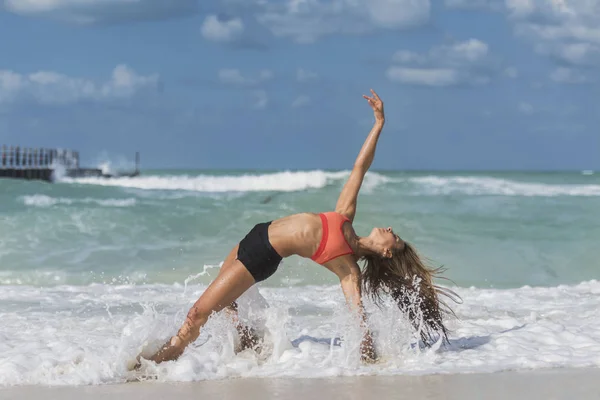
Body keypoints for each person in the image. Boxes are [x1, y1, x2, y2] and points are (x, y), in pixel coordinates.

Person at [138, 89, 457, 367]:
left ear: (388, 251)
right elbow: (361, 166)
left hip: (263, 255)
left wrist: (367, 351)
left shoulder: (348, 269)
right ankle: (247, 354)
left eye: (395, 236)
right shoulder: (345, 215)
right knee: (229, 308)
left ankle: (161, 362)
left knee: (197, 314)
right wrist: (378, 124)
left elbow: (357, 315)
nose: (389, 228)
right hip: (254, 236)